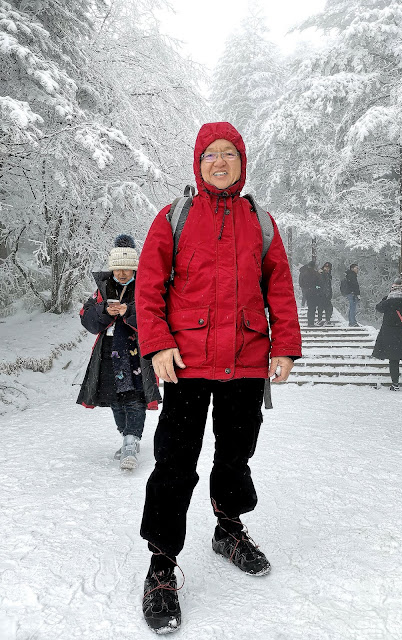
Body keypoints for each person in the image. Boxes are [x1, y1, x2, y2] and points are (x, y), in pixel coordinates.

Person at [135, 122, 302, 634]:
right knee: (176, 461)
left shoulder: (262, 221)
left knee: (236, 454)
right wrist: (159, 342)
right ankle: (162, 563)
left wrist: (285, 347)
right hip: (187, 364)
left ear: (242, 162)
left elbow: (279, 286)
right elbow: (148, 285)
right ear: (198, 163)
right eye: (211, 155)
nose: (220, 161)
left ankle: (228, 529)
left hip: (247, 362)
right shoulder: (174, 217)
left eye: (230, 153)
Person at [77, 234, 161, 469]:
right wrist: (104, 310)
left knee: (135, 397)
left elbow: (155, 317)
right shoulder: (101, 291)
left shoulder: (146, 288)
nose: (122, 273)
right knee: (114, 398)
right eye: (118, 268)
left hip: (136, 351)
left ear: (135, 267)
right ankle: (126, 435)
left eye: (127, 268)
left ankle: (131, 442)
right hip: (108, 352)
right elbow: (88, 321)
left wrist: (128, 311)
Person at [372, 278, 402, 391]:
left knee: (393, 360)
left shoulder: (388, 301)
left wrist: (387, 297)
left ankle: (395, 384)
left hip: (390, 335)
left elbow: (378, 307)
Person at [303, 261, 322, 327]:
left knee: (310, 308)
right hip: (314, 293)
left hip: (308, 293)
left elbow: (302, 283)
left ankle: (310, 322)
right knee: (313, 308)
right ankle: (311, 322)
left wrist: (306, 288)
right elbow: (319, 283)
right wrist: (317, 288)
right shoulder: (316, 274)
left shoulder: (305, 273)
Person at [317, 261, 333, 326]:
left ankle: (327, 320)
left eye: (328, 268)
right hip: (321, 294)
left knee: (328, 307)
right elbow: (317, 283)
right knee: (321, 307)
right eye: (326, 267)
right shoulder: (320, 274)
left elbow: (328, 285)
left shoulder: (329, 275)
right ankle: (320, 320)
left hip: (327, 294)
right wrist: (318, 290)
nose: (327, 269)